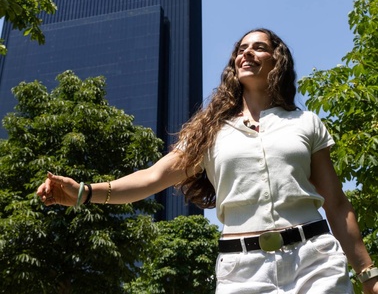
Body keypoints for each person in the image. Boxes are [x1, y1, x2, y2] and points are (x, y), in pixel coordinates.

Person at [37, 28, 378, 293]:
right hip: (243, 270)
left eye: (259, 47)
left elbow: (335, 203)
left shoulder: (306, 122)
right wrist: (84, 191)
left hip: (314, 261)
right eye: (241, 49)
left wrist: (368, 275)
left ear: (278, 60)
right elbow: (152, 177)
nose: (247, 52)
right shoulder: (210, 130)